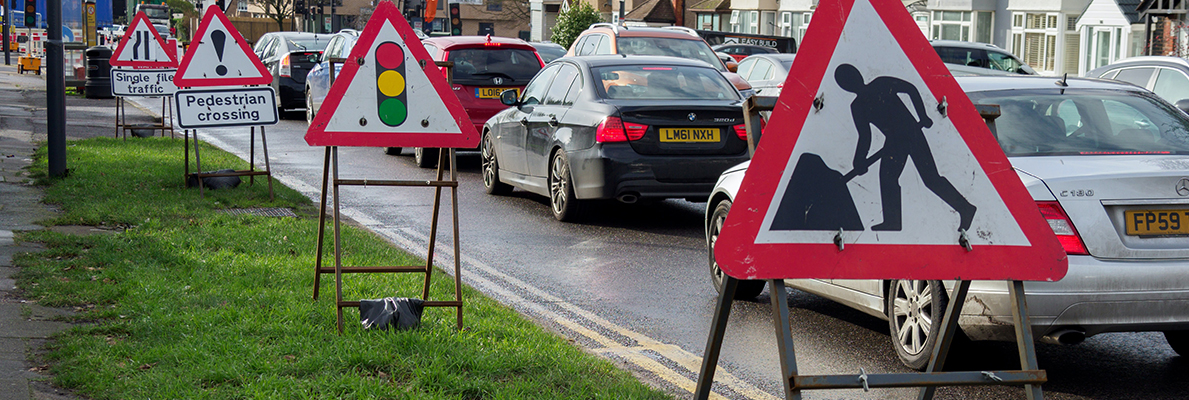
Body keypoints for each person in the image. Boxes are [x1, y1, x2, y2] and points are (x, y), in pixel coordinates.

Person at [835, 63, 976, 232]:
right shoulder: (857, 106)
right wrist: (859, 160)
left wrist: (922, 115)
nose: (851, 83)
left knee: (930, 178)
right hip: (894, 142)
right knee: (888, 179)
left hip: (912, 133)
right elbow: (865, 136)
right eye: (846, 81)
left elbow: (910, 89)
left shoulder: (880, 84)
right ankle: (892, 222)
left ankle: (965, 208)